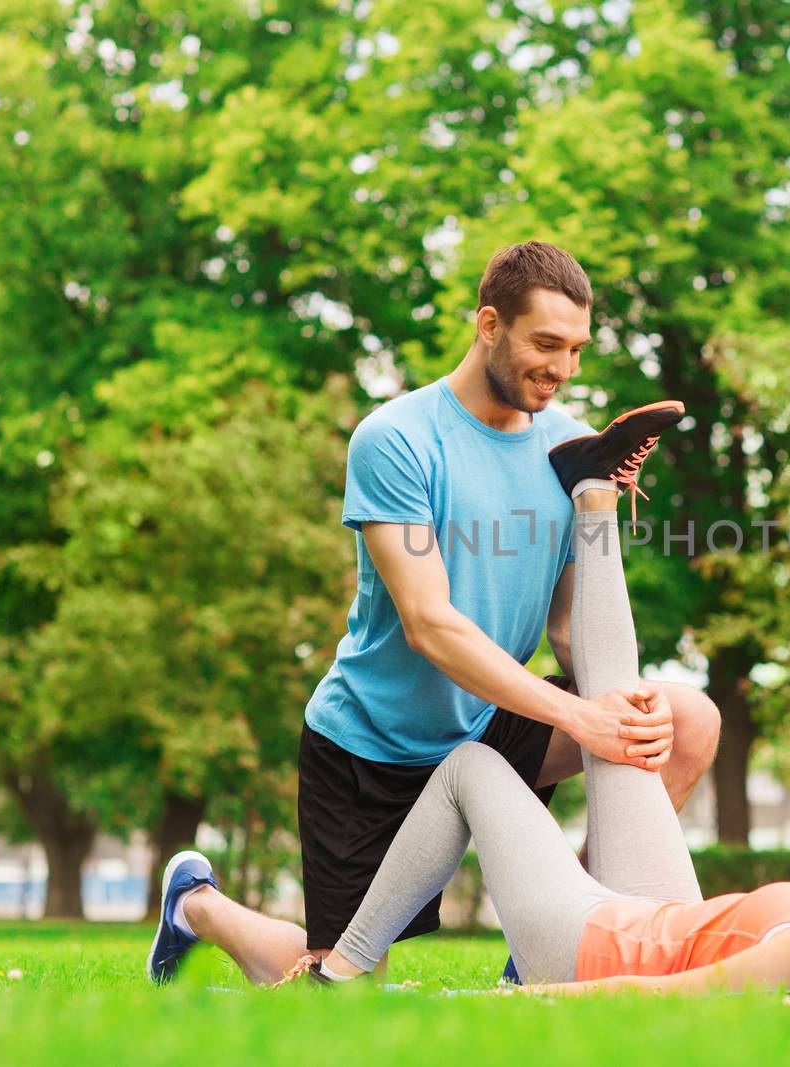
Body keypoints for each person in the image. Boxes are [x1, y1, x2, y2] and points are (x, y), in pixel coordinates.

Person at [169, 447, 790, 998]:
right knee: (646, 714)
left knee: (473, 769)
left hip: (600, 946)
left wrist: (508, 1005)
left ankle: (297, 952)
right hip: (649, 904)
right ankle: (594, 490)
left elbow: (661, 1004)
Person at [146, 241, 720, 986]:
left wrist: (619, 707)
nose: (564, 368)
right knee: (342, 984)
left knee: (686, 721)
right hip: (373, 751)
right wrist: (580, 717)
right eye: (546, 344)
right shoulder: (398, 440)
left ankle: (566, 940)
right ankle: (197, 906)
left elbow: (571, 626)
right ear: (489, 324)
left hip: (491, 721)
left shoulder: (569, 444)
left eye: (577, 348)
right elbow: (430, 624)